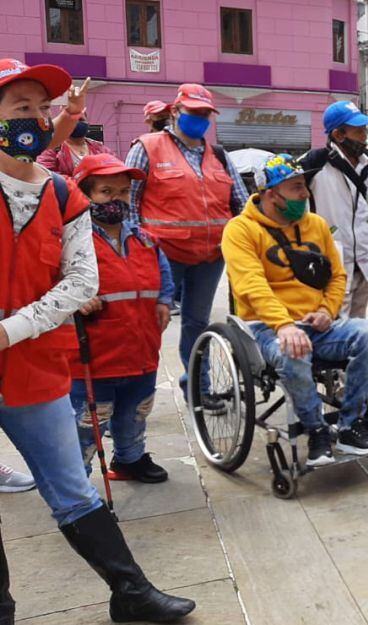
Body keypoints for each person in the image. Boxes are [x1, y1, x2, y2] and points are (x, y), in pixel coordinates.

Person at [0, 58, 195, 624]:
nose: (36, 118)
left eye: (43, 108)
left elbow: (82, 280)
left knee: (72, 487)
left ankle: (131, 593)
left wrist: (9, 330)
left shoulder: (63, 194)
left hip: (34, 361)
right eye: (21, 108)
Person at [222, 154, 368, 466]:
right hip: (265, 327)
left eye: (304, 186)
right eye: (296, 188)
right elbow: (250, 285)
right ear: (271, 194)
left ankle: (350, 424)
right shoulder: (240, 230)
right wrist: (284, 325)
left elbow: (337, 275)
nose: (305, 194)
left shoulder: (315, 224)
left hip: (317, 323)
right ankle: (316, 429)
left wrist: (326, 310)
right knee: (293, 350)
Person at [125, 83, 248, 397]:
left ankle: (198, 387)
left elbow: (241, 203)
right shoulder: (148, 146)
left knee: (197, 323)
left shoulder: (218, 155)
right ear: (176, 111)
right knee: (150, 326)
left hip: (211, 256)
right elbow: (129, 204)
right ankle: (134, 395)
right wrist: (138, 251)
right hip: (163, 256)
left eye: (206, 113)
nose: (201, 118)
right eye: (194, 112)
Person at [70, 153, 175, 483]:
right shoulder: (72, 241)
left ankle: (130, 459)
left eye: (123, 192)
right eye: (106, 191)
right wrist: (76, 297)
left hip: (142, 351)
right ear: (84, 194)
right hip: (95, 357)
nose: (116, 200)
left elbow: (164, 275)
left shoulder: (145, 238)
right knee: (88, 424)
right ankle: (75, 482)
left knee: (136, 413)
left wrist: (164, 301)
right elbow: (53, 282)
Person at [301, 101, 368, 319]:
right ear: (338, 135)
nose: (365, 135)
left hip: (363, 260)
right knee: (335, 328)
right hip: (331, 263)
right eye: (358, 131)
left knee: (359, 327)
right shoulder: (314, 164)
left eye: (365, 129)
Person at [37, 114, 115, 177]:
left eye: (81, 120)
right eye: (72, 120)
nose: (76, 123)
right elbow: (46, 173)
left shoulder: (100, 148)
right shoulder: (52, 148)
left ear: (87, 123)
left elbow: (114, 168)